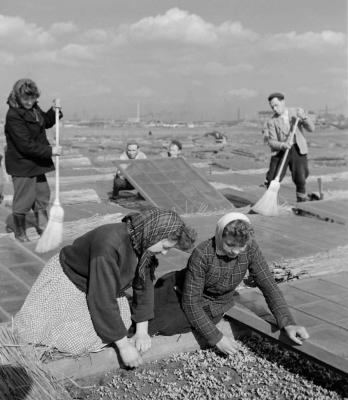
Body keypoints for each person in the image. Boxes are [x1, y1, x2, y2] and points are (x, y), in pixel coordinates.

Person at [14, 208, 197, 368]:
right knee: (73, 339)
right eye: (164, 247)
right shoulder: (109, 245)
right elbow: (102, 298)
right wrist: (124, 347)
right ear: (155, 234)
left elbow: (144, 285)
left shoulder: (143, 241)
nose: (164, 253)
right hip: (71, 280)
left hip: (101, 284)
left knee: (121, 325)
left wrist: (142, 331)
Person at [148, 212, 309, 355]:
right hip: (180, 290)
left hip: (214, 303)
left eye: (241, 247)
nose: (236, 251)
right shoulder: (202, 254)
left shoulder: (250, 248)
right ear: (220, 236)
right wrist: (218, 338)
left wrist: (288, 323)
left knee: (172, 323)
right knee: (151, 319)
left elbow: (268, 284)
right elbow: (191, 302)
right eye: (230, 245)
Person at [4, 79, 62, 242]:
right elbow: (25, 145)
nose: (30, 102)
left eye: (33, 98)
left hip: (37, 162)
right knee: (24, 199)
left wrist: (55, 110)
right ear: (18, 97)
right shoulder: (13, 116)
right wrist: (51, 150)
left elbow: (46, 122)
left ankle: (43, 226)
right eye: (26, 99)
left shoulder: (34, 108)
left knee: (43, 194)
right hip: (22, 163)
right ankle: (20, 232)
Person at [263, 92, 315, 202]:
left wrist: (304, 117)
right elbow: (271, 141)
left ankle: (302, 203)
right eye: (272, 107)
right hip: (281, 151)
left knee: (300, 178)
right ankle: (270, 202)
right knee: (272, 178)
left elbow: (311, 129)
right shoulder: (271, 121)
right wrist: (283, 145)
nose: (274, 109)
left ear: (283, 102)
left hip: (297, 149)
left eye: (276, 105)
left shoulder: (296, 112)